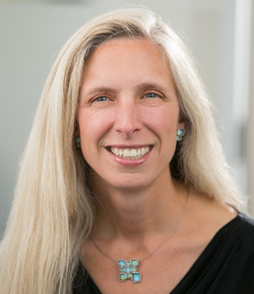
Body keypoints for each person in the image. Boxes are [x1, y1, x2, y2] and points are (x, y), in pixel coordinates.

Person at [0, 6, 254, 294]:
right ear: (72, 124)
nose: (127, 124)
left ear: (182, 118)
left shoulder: (247, 254)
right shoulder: (19, 261)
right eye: (102, 98)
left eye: (150, 94)